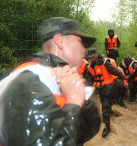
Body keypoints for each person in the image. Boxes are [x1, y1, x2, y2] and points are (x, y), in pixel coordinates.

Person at [0, 17, 101, 146]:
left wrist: (80, 95)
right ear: (60, 41)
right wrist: (74, 101)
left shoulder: (54, 78)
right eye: (81, 42)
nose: (84, 50)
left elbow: (87, 131)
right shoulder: (30, 82)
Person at [87, 48, 128, 138]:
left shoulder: (105, 63)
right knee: (105, 104)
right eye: (90, 57)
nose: (92, 59)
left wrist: (124, 80)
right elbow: (89, 79)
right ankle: (111, 113)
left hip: (108, 88)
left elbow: (116, 71)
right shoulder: (89, 66)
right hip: (99, 88)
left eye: (93, 57)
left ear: (97, 54)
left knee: (105, 106)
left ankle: (107, 127)